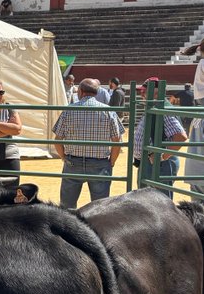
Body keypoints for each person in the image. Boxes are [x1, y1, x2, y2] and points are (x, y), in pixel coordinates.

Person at [52, 77, 124, 209]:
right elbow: (117, 141)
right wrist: (111, 162)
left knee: (67, 206)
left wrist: (63, 157)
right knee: (100, 207)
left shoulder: (69, 110)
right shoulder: (108, 110)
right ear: (96, 92)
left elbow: (58, 139)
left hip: (73, 162)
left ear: (80, 91)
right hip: (100, 163)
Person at [132, 80, 188, 197]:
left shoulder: (162, 109)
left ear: (157, 92)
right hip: (151, 162)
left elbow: (181, 137)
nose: (141, 94)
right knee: (148, 200)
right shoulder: (155, 107)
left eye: (144, 91)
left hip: (159, 164)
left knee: (159, 201)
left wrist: (162, 156)